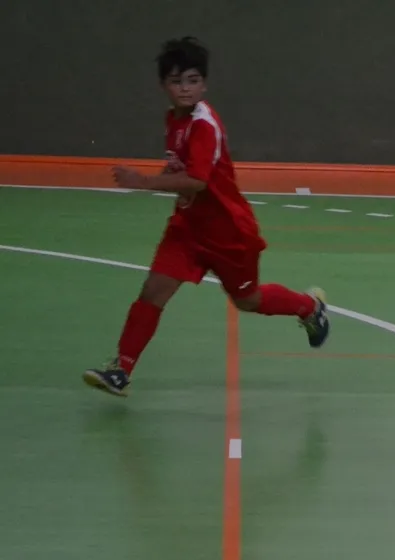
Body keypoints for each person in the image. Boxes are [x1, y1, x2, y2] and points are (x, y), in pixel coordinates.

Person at [82, 37, 330, 397]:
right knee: (152, 291)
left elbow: (197, 180)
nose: (185, 88)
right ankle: (120, 370)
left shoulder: (204, 125)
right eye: (176, 81)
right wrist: (163, 179)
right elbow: (182, 171)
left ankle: (309, 307)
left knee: (247, 300)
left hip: (228, 233)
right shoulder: (174, 119)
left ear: (204, 84)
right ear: (163, 85)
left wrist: (143, 182)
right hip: (187, 228)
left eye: (193, 80)